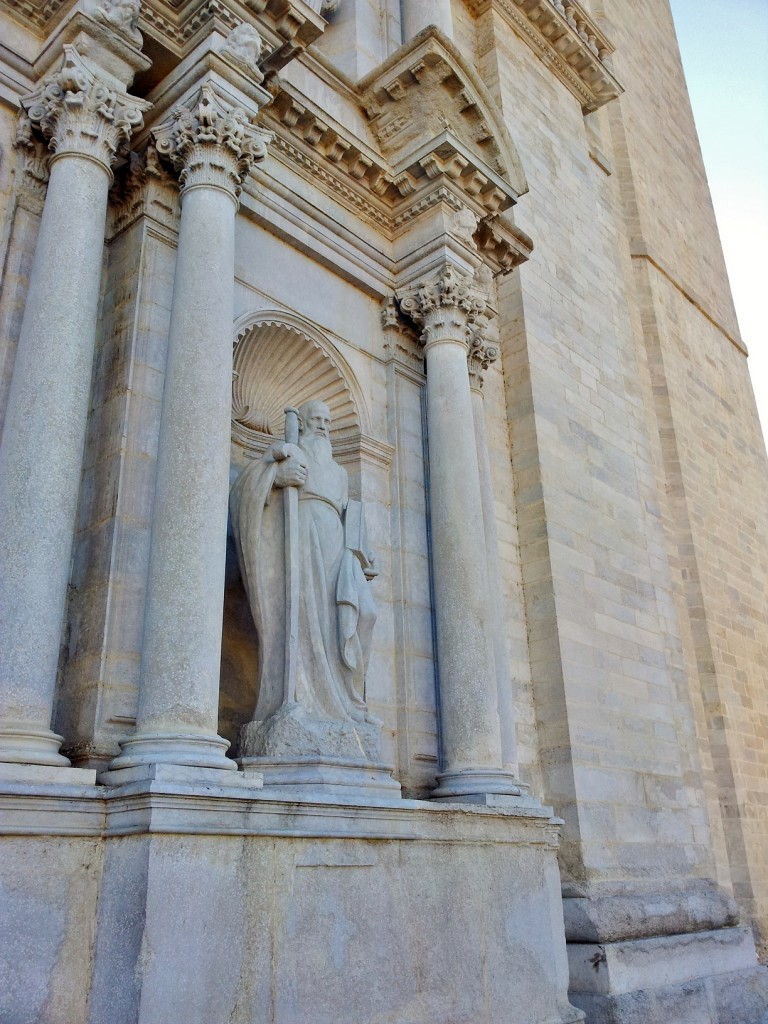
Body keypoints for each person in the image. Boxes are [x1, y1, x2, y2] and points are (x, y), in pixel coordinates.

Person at [230, 400, 379, 760]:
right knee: (303, 614)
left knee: (363, 614)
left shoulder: (341, 474)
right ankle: (297, 697)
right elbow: (242, 492)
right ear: (305, 423)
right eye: (317, 420)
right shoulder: (288, 454)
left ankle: (347, 702)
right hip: (300, 535)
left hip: (338, 547)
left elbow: (349, 513)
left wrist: (361, 549)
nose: (324, 427)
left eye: (328, 421)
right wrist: (276, 478)